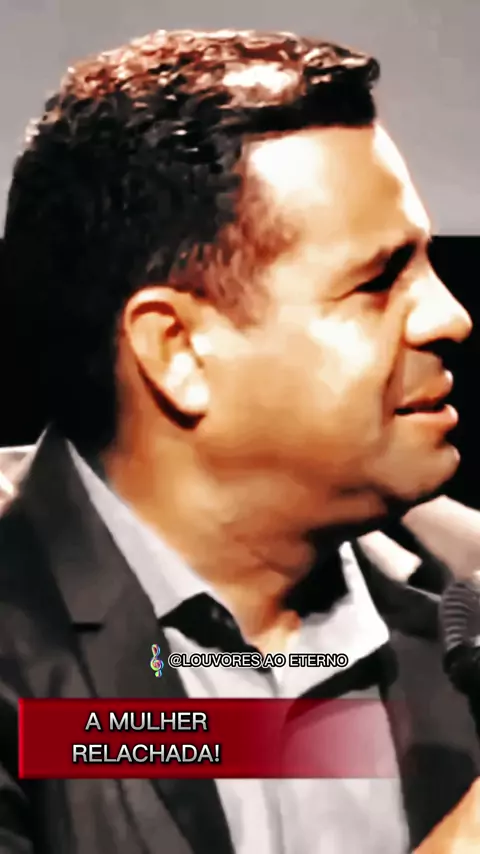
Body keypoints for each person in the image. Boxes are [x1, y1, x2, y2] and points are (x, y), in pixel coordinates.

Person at [0, 28, 479, 854]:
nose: (451, 317)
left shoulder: (463, 586)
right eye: (377, 281)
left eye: (428, 266)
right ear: (177, 351)